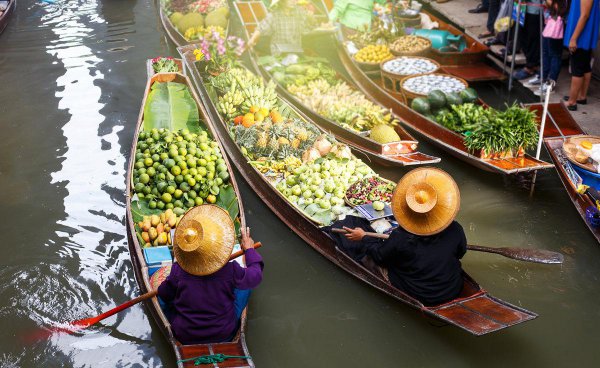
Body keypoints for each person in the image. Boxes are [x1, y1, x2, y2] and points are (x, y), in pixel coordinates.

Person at [329, 167, 466, 306]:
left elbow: (379, 257)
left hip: (419, 293)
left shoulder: (402, 237)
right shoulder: (455, 229)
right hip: (452, 288)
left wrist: (364, 237)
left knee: (360, 242)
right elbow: (461, 253)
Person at [156, 205, 263, 344]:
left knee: (162, 297)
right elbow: (255, 275)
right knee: (245, 285)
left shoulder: (178, 270)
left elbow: (164, 294)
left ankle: (176, 321)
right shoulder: (231, 269)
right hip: (224, 332)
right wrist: (249, 250)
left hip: (185, 334)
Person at [563, 0, 600, 111]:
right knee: (584, 65)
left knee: (577, 68)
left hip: (581, 35)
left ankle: (572, 102)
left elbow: (584, 15)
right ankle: (581, 97)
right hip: (584, 34)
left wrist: (574, 38)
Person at [247, 0, 315, 55]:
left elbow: (308, 29)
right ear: (281, 2)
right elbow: (261, 28)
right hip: (278, 52)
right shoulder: (274, 15)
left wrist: (311, 19)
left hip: (295, 51)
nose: (293, 1)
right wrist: (252, 40)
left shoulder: (300, 13)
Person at [536, 0, 568, 96]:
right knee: (546, 52)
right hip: (549, 21)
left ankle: (550, 83)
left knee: (555, 54)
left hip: (556, 24)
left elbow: (559, 8)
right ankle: (543, 77)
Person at [512, 0, 543, 82]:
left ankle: (531, 66)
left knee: (532, 37)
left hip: (535, 8)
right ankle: (531, 64)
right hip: (523, 7)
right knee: (524, 36)